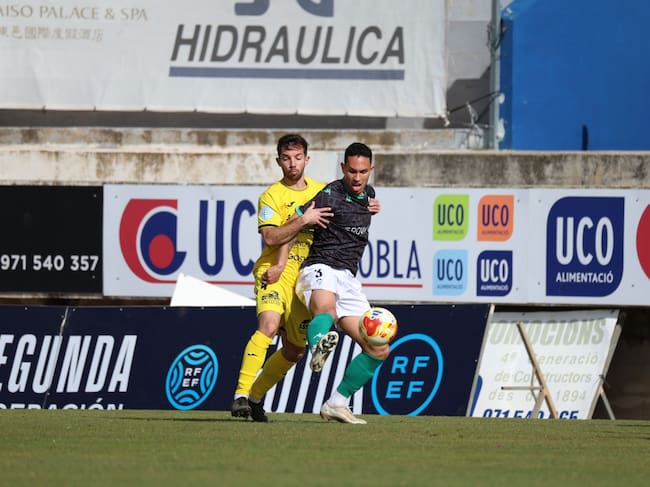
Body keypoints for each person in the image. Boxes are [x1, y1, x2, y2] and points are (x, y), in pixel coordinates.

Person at [230, 134, 332, 422]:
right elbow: (271, 237)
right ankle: (240, 395)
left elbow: (350, 205)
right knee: (269, 325)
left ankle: (255, 398)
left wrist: (369, 204)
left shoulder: (322, 191)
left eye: (298, 158)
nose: (292, 164)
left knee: (295, 350)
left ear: (307, 159)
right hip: (274, 272)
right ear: (278, 161)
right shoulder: (271, 196)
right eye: (286, 159)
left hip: (306, 278)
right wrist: (303, 220)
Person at [295, 142, 390, 425]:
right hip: (320, 266)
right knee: (327, 311)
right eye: (351, 171)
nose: (357, 178)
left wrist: (373, 207)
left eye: (363, 172)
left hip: (348, 278)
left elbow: (363, 203)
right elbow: (294, 220)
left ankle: (336, 403)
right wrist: (304, 218)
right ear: (342, 169)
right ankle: (318, 345)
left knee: (378, 347)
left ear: (371, 170)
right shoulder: (329, 195)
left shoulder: (369, 194)